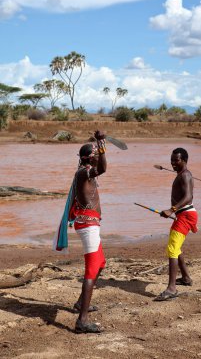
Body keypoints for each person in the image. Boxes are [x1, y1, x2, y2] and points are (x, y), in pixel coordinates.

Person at [69, 130, 107, 333]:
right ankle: (82, 321)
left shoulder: (85, 171)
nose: (98, 155)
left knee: (101, 263)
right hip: (87, 225)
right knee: (91, 270)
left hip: (91, 224)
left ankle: (79, 303)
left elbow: (101, 165)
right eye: (96, 153)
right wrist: (101, 143)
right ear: (90, 157)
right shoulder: (84, 172)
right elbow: (104, 168)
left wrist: (100, 146)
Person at [155, 147, 198, 301]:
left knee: (172, 249)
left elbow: (188, 196)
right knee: (176, 247)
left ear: (184, 160)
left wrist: (171, 209)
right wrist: (172, 211)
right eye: (171, 160)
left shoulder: (185, 175)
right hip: (183, 214)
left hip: (185, 215)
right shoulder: (182, 174)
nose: (173, 163)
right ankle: (186, 278)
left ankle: (172, 288)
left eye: (176, 160)